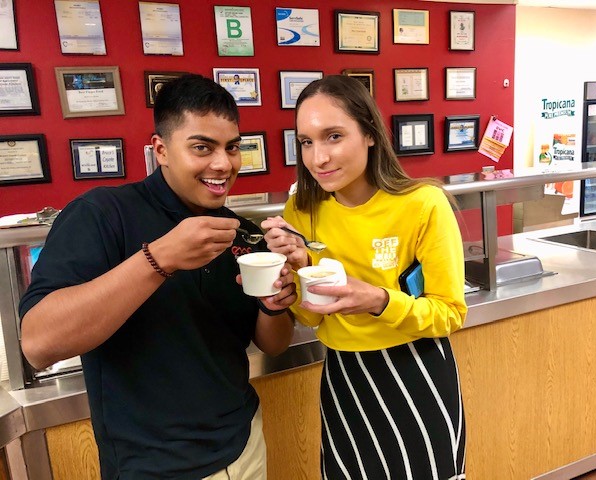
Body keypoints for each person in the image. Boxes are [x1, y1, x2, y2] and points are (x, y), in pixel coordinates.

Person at [19, 74, 296, 480]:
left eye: (232, 147)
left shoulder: (238, 230)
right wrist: (160, 258)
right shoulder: (103, 213)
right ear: (161, 150)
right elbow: (39, 344)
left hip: (244, 444)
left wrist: (274, 306)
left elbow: (273, 343)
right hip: (150, 465)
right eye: (202, 147)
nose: (223, 164)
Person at [262, 75, 468, 479]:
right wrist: (294, 277)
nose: (318, 157)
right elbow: (311, 318)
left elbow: (449, 314)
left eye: (333, 136)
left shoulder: (423, 203)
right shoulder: (301, 210)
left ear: (370, 134)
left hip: (416, 372)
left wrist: (378, 300)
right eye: (306, 142)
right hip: (345, 377)